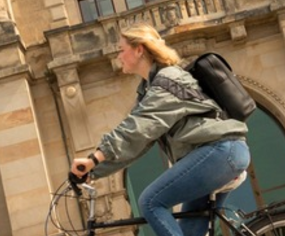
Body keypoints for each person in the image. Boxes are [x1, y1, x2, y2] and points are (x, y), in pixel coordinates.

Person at [70, 25, 250, 236]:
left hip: (221, 152)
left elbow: (136, 128)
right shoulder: (149, 89)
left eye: (121, 49)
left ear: (139, 49)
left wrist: (94, 157)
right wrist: (94, 171)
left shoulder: (167, 80)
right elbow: (138, 143)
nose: (118, 56)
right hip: (216, 155)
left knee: (150, 201)